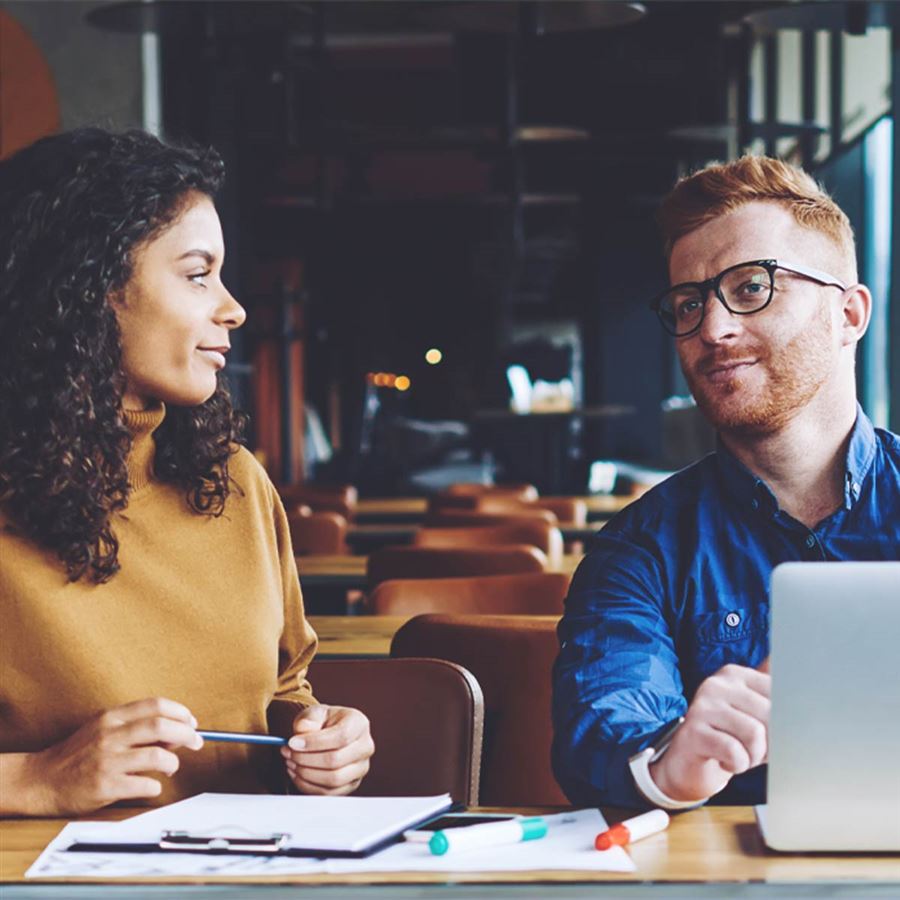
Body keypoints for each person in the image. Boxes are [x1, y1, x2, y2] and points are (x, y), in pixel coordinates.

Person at [0, 128, 374, 816]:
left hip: (253, 872)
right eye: (198, 273)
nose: (232, 307)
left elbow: (285, 689)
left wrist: (318, 740)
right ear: (87, 286)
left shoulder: (233, 480)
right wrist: (36, 780)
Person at [553, 156, 900, 810]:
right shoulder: (639, 548)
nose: (712, 330)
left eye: (751, 288)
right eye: (690, 303)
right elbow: (599, 733)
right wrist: (670, 763)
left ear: (849, 315)